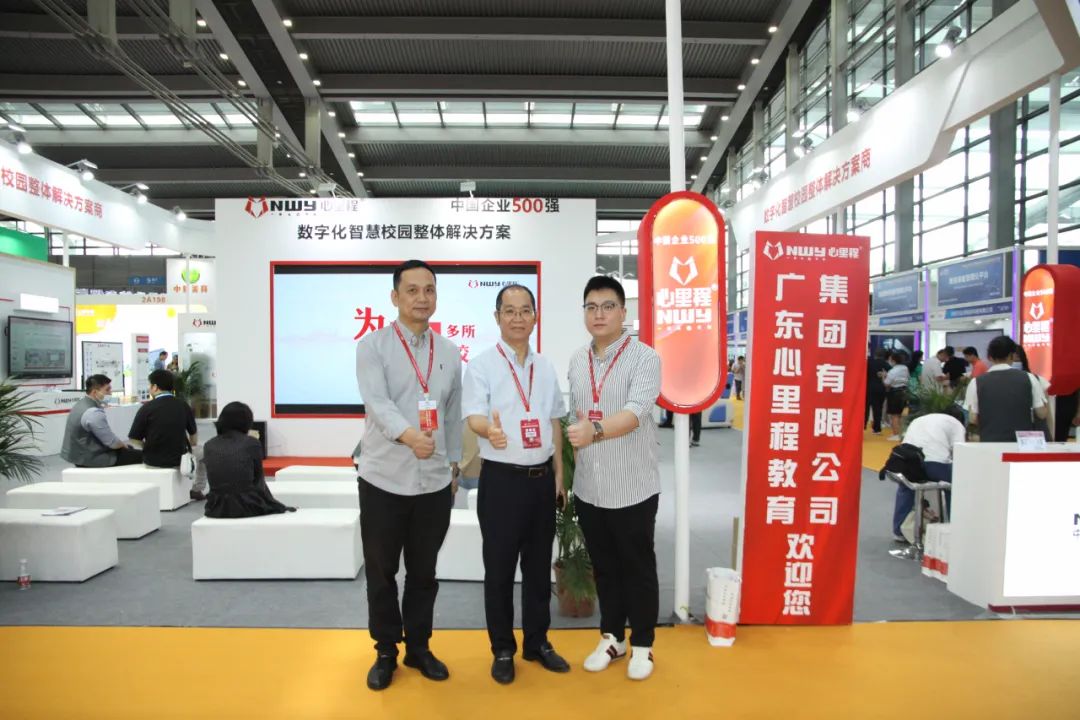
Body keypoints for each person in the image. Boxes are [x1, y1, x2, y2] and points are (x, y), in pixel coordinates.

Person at [354, 259, 463, 692]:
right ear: (395, 297)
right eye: (412, 290)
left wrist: (454, 463)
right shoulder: (373, 346)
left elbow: (452, 412)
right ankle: (385, 651)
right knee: (381, 573)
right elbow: (377, 403)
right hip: (383, 478)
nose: (422, 298)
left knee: (424, 572)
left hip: (434, 482)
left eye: (429, 290)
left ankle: (419, 647)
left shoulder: (449, 352)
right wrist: (408, 435)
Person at [463, 283, 569, 685]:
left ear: (535, 317)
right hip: (502, 482)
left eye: (525, 310)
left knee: (539, 569)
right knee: (500, 570)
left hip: (541, 482)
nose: (518, 318)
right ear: (497, 318)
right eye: (510, 311)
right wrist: (487, 431)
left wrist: (559, 476)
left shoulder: (545, 367)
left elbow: (554, 421)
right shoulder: (482, 365)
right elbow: (474, 416)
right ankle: (503, 648)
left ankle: (537, 642)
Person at [566, 275, 661, 681]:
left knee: (637, 567)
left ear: (623, 312)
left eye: (607, 306)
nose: (599, 314)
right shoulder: (577, 360)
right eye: (591, 307)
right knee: (604, 567)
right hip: (591, 487)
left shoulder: (644, 358)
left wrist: (596, 430)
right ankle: (612, 637)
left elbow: (637, 411)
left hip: (632, 485)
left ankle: (643, 644)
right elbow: (576, 418)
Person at [202, 401, 292, 518]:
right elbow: (259, 483)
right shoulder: (252, 443)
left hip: (216, 508)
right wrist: (276, 505)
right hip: (246, 507)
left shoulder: (209, 445)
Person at [127, 369, 204, 501]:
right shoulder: (183, 405)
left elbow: (134, 439)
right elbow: (194, 436)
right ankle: (197, 489)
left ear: (155, 387)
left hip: (153, 460)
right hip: (180, 459)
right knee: (204, 453)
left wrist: (147, 447)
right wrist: (190, 448)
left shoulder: (146, 408)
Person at [891, 408, 966, 542]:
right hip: (935, 465)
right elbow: (960, 452)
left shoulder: (919, 420)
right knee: (954, 486)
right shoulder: (956, 424)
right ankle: (955, 529)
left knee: (906, 488)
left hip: (906, 464)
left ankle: (898, 531)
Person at [963, 336, 1049, 442]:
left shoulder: (976, 382)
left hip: (990, 441)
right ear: (1012, 355)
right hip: (1022, 442)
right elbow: (1041, 413)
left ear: (990, 357)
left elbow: (973, 418)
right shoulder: (1029, 378)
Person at [60, 374, 143, 468]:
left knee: (129, 449)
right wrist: (124, 445)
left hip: (77, 455)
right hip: (91, 458)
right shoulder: (93, 413)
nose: (110, 393)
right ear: (95, 392)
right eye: (107, 390)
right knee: (142, 455)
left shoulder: (80, 404)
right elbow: (112, 443)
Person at [1013, 344, 1054, 440]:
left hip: (1033, 434)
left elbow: (1046, 414)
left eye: (1018, 358)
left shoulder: (1037, 380)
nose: (1015, 361)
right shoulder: (999, 383)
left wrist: (1051, 437)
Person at [882, 352, 910, 441]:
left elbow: (887, 383)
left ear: (893, 361)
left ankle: (896, 434)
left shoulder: (893, 371)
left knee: (894, 415)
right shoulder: (905, 368)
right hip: (904, 391)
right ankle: (899, 433)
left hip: (895, 393)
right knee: (900, 415)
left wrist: (883, 377)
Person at [865, 348, 889, 434]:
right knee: (878, 409)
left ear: (875, 355)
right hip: (880, 388)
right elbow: (891, 372)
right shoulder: (885, 363)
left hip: (868, 388)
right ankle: (877, 428)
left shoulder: (869, 362)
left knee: (865, 408)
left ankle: (862, 425)